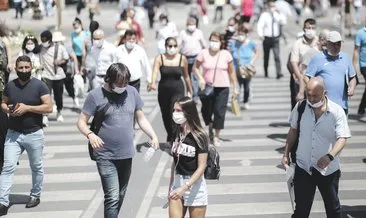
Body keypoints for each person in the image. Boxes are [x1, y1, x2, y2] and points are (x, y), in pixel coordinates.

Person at [77, 63, 159, 218]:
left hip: (126, 154)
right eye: (119, 83)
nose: (122, 86)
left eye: (125, 83)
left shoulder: (132, 92)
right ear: (109, 79)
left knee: (120, 194)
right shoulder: (95, 96)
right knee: (112, 197)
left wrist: (153, 135)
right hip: (105, 155)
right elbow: (81, 122)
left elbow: (140, 118)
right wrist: (90, 134)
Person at [281, 77, 351, 218]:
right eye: (309, 95)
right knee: (300, 211)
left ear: (324, 93)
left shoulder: (336, 111)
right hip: (303, 167)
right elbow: (293, 130)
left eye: (315, 95)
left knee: (333, 209)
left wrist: (329, 156)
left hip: (328, 170)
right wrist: (285, 153)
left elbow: (342, 138)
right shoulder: (300, 107)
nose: (311, 99)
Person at [0, 55, 52, 216]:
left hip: (34, 133)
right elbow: (3, 102)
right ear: (16, 69)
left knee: (36, 166)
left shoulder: (40, 86)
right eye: (20, 68)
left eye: (26, 68)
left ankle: (35, 195)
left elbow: (48, 107)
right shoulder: (10, 86)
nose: (24, 71)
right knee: (7, 167)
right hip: (13, 134)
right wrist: (8, 110)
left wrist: (28, 108)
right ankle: (2, 201)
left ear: (31, 68)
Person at [193, 32, 239, 147]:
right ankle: (210, 126)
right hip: (206, 87)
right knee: (206, 110)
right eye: (212, 40)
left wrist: (235, 88)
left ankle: (217, 136)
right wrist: (200, 78)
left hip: (223, 87)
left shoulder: (226, 54)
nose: (213, 43)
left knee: (219, 112)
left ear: (221, 42)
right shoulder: (203, 53)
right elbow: (195, 68)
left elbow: (232, 71)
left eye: (216, 41)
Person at [168, 96, 208, 218]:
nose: (175, 114)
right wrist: (171, 186)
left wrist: (185, 187)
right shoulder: (177, 132)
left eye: (178, 111)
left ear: (188, 112)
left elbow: (202, 167)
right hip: (178, 182)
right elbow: (175, 162)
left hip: (195, 186)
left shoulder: (200, 136)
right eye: (174, 110)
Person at [149, 37, 193, 142]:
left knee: (175, 113)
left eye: (174, 46)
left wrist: (190, 90)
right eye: (170, 46)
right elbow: (155, 72)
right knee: (166, 115)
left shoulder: (182, 59)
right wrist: (153, 83)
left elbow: (186, 76)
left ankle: (175, 138)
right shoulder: (160, 58)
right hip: (164, 90)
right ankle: (170, 134)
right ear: (165, 47)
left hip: (178, 90)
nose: (172, 48)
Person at [305, 31, 357, 115]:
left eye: (338, 44)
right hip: (323, 106)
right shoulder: (318, 58)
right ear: (327, 44)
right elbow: (307, 77)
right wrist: (314, 92)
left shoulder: (346, 57)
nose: (336, 47)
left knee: (342, 128)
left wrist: (352, 88)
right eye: (333, 44)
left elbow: (353, 77)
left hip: (342, 105)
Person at [39, 30, 69, 123]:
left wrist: (60, 62)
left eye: (45, 40)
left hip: (58, 75)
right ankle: (45, 115)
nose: (44, 42)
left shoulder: (60, 48)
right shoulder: (40, 48)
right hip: (46, 75)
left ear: (50, 39)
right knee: (45, 96)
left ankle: (59, 112)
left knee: (58, 96)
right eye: (42, 40)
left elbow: (66, 58)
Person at [289, 18, 318, 109]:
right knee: (299, 106)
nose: (311, 30)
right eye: (308, 28)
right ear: (304, 29)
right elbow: (294, 62)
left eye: (313, 28)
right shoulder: (297, 43)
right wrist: (300, 77)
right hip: (300, 78)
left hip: (316, 79)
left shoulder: (319, 42)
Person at [230, 23, 258, 110]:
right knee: (237, 87)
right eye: (239, 34)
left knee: (247, 87)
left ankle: (246, 101)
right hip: (236, 69)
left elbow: (257, 52)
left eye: (242, 34)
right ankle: (236, 103)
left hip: (247, 69)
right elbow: (230, 55)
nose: (240, 36)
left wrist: (252, 61)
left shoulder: (251, 43)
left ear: (246, 34)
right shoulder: (234, 44)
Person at [179, 16, 206, 102]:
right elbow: (179, 44)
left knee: (194, 77)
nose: (191, 26)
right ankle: (189, 93)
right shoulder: (183, 33)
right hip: (185, 57)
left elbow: (203, 44)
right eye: (189, 24)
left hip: (196, 57)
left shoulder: (199, 32)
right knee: (186, 77)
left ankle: (195, 96)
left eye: (193, 24)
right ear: (186, 25)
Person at [257, 0, 287, 79]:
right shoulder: (264, 15)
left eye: (273, 6)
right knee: (266, 56)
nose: (272, 8)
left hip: (275, 38)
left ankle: (279, 72)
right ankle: (266, 71)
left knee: (277, 56)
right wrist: (260, 34)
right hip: (267, 38)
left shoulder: (277, 14)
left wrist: (279, 14)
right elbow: (260, 25)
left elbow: (283, 22)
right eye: (271, 6)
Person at [82, 21, 100, 91]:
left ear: (89, 29)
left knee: (90, 86)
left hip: (88, 63)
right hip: (98, 63)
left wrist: (82, 66)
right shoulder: (100, 39)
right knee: (97, 86)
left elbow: (84, 54)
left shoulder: (86, 40)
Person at [353, 24, 366, 116]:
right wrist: (354, 71)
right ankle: (361, 107)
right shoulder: (360, 33)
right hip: (364, 65)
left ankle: (361, 107)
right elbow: (356, 51)